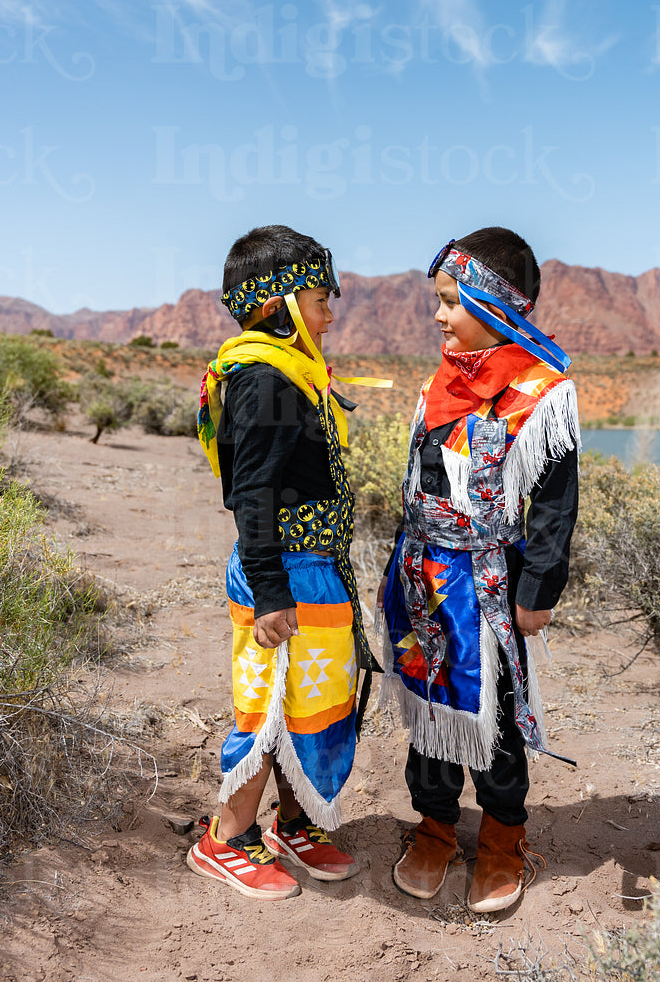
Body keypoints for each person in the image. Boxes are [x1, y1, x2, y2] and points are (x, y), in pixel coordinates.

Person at [380, 227, 579, 914]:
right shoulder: (441, 384)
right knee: (428, 712)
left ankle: (501, 837)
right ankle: (435, 826)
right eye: (436, 302)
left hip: (485, 588)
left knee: (490, 720)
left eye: (450, 303)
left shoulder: (540, 394)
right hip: (419, 582)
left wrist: (538, 589)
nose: (437, 316)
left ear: (494, 306)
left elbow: (554, 505)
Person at [190, 225, 384, 900]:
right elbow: (253, 495)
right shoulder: (267, 380)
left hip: (314, 571)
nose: (331, 311)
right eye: (320, 296)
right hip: (284, 577)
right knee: (266, 708)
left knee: (316, 707)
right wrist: (271, 592)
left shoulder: (293, 374)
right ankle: (225, 838)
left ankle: (295, 824)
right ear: (278, 304)